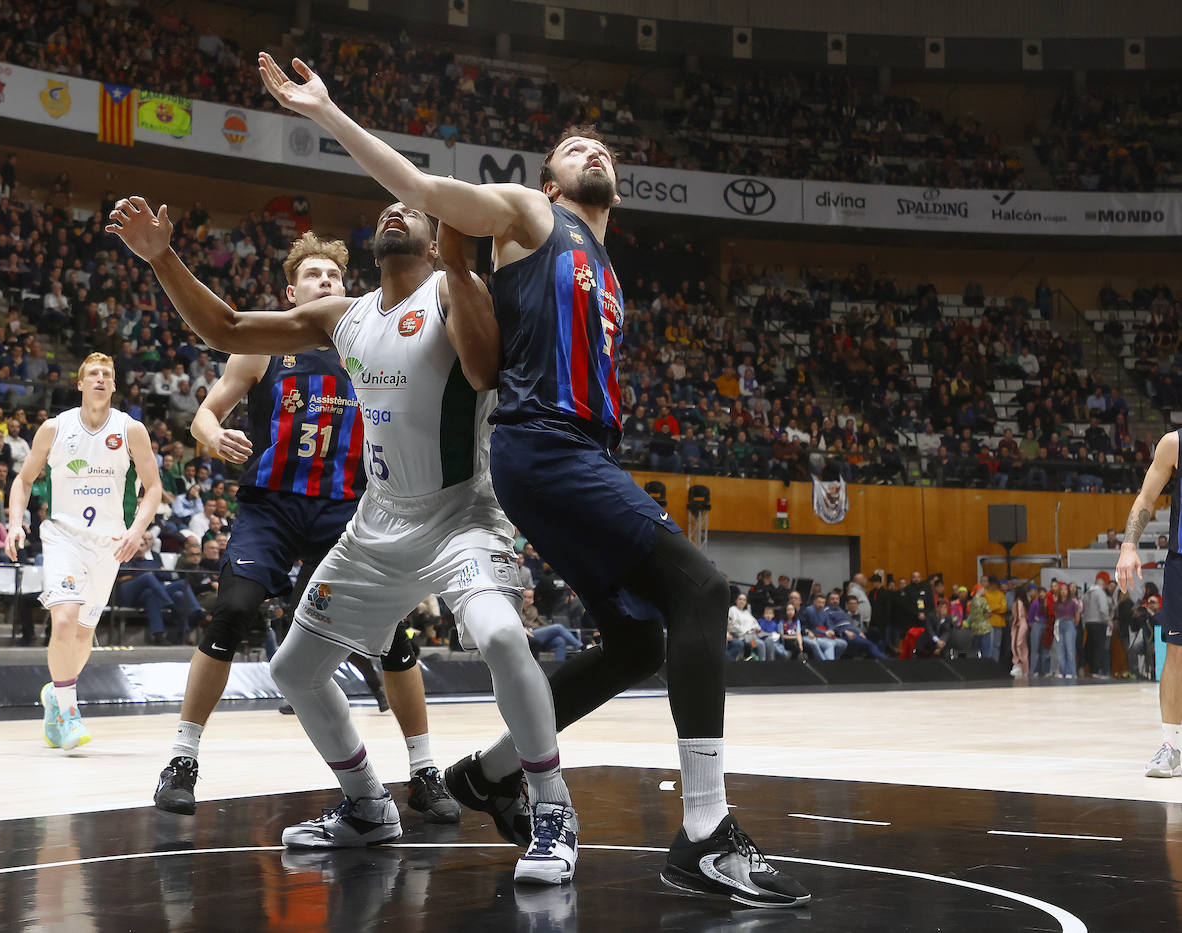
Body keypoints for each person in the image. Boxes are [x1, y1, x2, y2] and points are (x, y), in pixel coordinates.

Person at [255, 54, 806, 905]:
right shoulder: (530, 218)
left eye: (602, 148)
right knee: (700, 587)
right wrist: (329, 113)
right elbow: (423, 187)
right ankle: (705, 832)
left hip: (572, 454)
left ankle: (488, 772)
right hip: (543, 447)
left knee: (640, 642)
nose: (593, 151)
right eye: (573, 147)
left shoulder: (606, 268)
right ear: (545, 181)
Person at [109, 194, 575, 884]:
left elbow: (484, 370)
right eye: (387, 207)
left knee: (504, 638)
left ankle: (553, 809)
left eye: (414, 209)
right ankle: (366, 804)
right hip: (377, 521)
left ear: (437, 231)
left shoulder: (459, 291)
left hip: (459, 515)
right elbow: (227, 324)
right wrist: (161, 259)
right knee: (294, 668)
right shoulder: (344, 317)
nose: (397, 211)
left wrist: (459, 244)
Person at [135, 234, 453, 822]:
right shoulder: (262, 347)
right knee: (232, 611)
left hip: (343, 510)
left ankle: (425, 770)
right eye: (313, 274)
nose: (326, 282)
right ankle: (182, 760)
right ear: (291, 291)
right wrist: (212, 435)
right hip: (271, 508)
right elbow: (207, 411)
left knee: (392, 635)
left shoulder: (368, 342)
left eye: (334, 274)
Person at [4, 353, 163, 751]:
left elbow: (154, 488)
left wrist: (135, 532)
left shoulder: (131, 429)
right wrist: (14, 524)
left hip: (108, 544)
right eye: (92, 373)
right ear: (79, 384)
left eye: (106, 375)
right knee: (64, 622)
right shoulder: (54, 428)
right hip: (63, 536)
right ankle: (70, 713)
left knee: (83, 635)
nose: (99, 379)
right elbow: (23, 481)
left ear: (113, 385)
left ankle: (55, 696)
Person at [1115, 432, 1182, 777]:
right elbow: (1146, 497)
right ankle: (1172, 746)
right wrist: (1129, 546)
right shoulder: (1174, 444)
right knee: (1177, 653)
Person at [521, 588, 585, 661]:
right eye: (525, 597)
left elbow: (541, 622)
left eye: (529, 597)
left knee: (560, 641)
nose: (527, 600)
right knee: (557, 627)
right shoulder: (517, 609)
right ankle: (580, 646)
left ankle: (559, 667)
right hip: (527, 635)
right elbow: (525, 622)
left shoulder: (533, 609)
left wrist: (547, 629)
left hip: (537, 633)